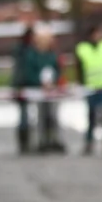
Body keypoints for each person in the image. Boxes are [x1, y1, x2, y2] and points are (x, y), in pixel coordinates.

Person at [75, 24, 102, 156]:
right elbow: (79, 67)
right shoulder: (82, 48)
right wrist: (81, 83)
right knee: (91, 116)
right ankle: (89, 143)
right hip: (90, 87)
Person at [26, 26, 66, 154]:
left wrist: (54, 81)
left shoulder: (52, 54)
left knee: (53, 116)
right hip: (39, 90)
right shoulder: (32, 55)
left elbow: (58, 69)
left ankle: (54, 139)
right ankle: (42, 141)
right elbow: (30, 71)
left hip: (52, 90)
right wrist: (39, 82)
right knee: (41, 117)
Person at [10, 26, 36, 154]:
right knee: (24, 116)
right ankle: (24, 143)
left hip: (26, 85)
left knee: (26, 116)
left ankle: (27, 142)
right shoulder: (26, 51)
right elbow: (21, 70)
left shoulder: (23, 50)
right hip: (24, 85)